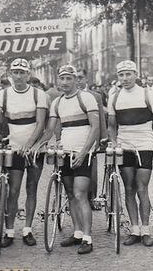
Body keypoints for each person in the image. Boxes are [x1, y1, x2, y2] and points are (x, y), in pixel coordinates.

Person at [34, 64, 99, 254]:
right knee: (70, 193)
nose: (65, 82)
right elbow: (49, 130)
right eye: (61, 78)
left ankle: (88, 238)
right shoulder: (57, 102)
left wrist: (84, 152)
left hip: (83, 153)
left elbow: (95, 128)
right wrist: (38, 144)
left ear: (75, 80)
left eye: (69, 78)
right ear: (58, 80)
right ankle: (77, 232)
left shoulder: (86, 98)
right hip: (65, 153)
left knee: (80, 194)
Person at [0, 58, 47, 247]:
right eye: (15, 72)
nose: (18, 76)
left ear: (28, 75)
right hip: (13, 149)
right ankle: (9, 231)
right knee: (13, 190)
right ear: (11, 74)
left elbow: (41, 123)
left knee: (32, 188)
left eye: (22, 72)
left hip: (34, 149)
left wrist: (29, 144)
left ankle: (27, 229)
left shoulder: (38, 94)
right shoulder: (3, 95)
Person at [108, 60, 153, 247]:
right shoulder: (114, 96)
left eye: (128, 74)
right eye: (121, 75)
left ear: (135, 74)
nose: (125, 79)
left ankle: (146, 230)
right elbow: (111, 125)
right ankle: (134, 230)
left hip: (145, 143)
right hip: (125, 145)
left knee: (142, 187)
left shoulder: (148, 94)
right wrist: (115, 143)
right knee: (129, 188)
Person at [76, 69, 108, 209]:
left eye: (80, 77)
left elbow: (101, 118)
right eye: (75, 77)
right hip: (75, 137)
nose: (78, 80)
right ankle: (75, 199)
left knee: (92, 171)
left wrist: (103, 137)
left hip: (91, 137)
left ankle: (92, 197)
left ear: (86, 79)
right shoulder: (67, 96)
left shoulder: (95, 96)